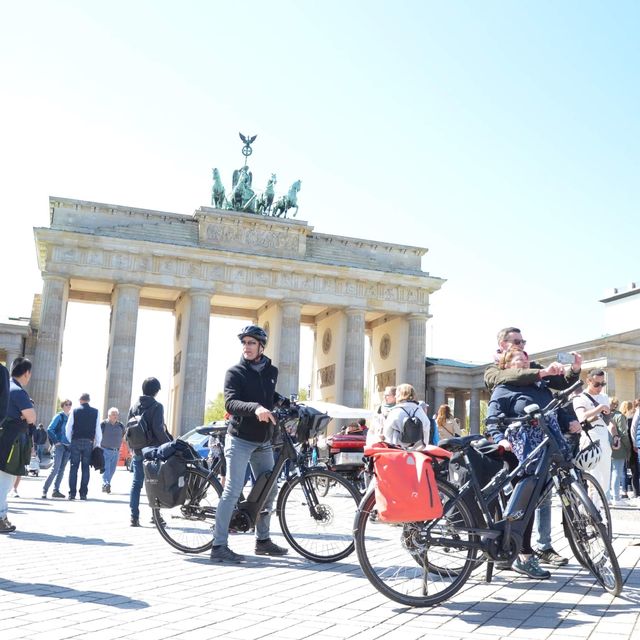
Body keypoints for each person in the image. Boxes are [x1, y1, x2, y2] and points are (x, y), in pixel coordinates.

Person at [485, 326, 582, 568]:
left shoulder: (533, 370)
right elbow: (509, 380)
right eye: (516, 342)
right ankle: (508, 550)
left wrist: (573, 371)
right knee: (514, 499)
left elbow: (555, 394)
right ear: (503, 345)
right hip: (514, 444)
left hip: (543, 443)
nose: (521, 345)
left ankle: (542, 545)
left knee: (542, 497)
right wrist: (499, 438)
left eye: (523, 342)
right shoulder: (496, 371)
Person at [211, 325, 289, 563]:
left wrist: (285, 403)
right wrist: (256, 408)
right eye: (244, 342)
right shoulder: (234, 372)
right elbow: (231, 403)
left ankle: (263, 540)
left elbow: (269, 395)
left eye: (251, 343)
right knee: (233, 490)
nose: (247, 346)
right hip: (240, 439)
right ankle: (218, 545)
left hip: (263, 441)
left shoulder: (271, 371)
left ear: (261, 347)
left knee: (270, 488)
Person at [128, 377, 172, 527]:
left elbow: (129, 430)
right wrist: (169, 445)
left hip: (137, 449)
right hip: (152, 451)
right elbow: (158, 430)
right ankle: (156, 517)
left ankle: (134, 516)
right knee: (154, 484)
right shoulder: (157, 406)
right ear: (156, 390)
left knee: (136, 483)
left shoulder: (134, 406)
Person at [0, 357, 36, 533]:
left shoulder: (6, 385)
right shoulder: (19, 391)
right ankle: (0, 518)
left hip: (4, 437)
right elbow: (31, 417)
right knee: (6, 480)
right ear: (27, 373)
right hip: (11, 442)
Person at [572, 369, 613, 500]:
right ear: (588, 381)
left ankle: (594, 509)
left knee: (605, 481)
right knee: (593, 478)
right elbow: (581, 417)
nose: (600, 387)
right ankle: (594, 512)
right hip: (590, 438)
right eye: (596, 384)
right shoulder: (580, 398)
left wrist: (616, 435)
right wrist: (599, 408)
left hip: (604, 439)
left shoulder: (604, 397)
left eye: (603, 384)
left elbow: (609, 421)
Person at [65, 392, 101, 500]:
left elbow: (68, 428)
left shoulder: (75, 411)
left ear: (80, 400)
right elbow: (97, 429)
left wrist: (70, 440)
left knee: (73, 467)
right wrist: (97, 443)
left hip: (76, 440)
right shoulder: (96, 412)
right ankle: (83, 493)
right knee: (85, 468)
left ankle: (72, 493)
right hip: (88, 441)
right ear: (88, 400)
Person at [382, 383, 432, 448]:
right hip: (417, 452)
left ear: (400, 395)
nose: (395, 396)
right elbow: (426, 432)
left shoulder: (395, 411)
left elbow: (387, 433)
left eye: (396, 394)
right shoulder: (421, 412)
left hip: (399, 452)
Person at [43, 399, 72, 499]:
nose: (68, 406)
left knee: (62, 470)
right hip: (59, 446)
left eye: (70, 405)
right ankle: (45, 489)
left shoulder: (71, 417)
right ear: (63, 406)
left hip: (68, 447)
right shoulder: (59, 416)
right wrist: (56, 442)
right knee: (55, 469)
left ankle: (56, 490)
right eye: (67, 404)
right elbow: (50, 429)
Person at [608, 398, 630, 505]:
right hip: (619, 448)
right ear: (616, 405)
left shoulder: (603, 416)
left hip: (606, 447)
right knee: (617, 472)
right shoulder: (619, 416)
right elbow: (623, 434)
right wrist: (629, 447)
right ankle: (616, 497)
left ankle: (607, 496)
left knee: (607, 473)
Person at [100, 407, 125, 494]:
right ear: (109, 415)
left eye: (116, 414)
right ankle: (106, 483)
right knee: (106, 468)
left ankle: (106, 484)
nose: (115, 416)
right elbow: (97, 436)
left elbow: (124, 438)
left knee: (112, 469)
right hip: (105, 450)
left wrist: (130, 449)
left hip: (116, 451)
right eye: (113, 414)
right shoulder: (103, 424)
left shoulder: (121, 425)